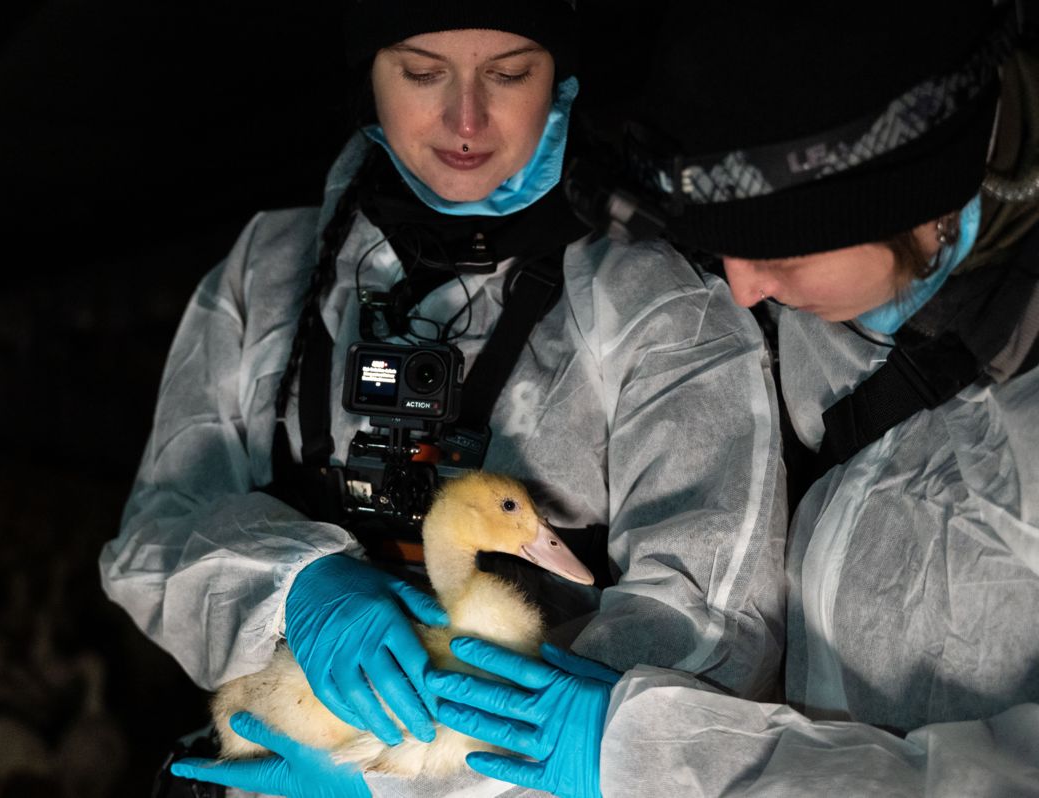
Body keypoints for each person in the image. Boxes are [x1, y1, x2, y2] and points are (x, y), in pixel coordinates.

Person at [100, 1, 787, 795]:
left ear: (561, 78)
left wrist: (403, 789)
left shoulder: (660, 305)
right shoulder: (270, 272)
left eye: (510, 73)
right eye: (423, 72)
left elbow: (710, 632)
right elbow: (153, 540)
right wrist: (292, 586)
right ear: (369, 76)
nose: (466, 119)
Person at [426, 2, 1039, 794]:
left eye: (776, 251)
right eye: (726, 249)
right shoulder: (827, 315)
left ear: (922, 209)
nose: (743, 292)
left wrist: (662, 758)